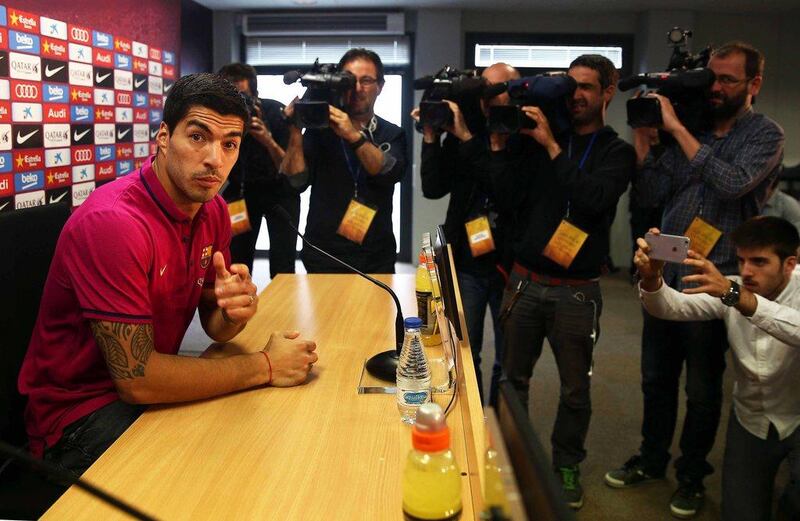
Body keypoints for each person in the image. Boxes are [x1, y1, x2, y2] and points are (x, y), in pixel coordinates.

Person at [17, 73, 318, 478]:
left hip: (143, 390)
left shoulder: (211, 210)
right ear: (163, 137)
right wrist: (264, 365)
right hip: (77, 416)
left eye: (229, 144)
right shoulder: (115, 223)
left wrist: (231, 312)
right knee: (220, 469)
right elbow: (137, 380)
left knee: (265, 437)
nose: (215, 159)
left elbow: (215, 327)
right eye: (198, 137)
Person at [606, 41, 785, 519]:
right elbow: (650, 194)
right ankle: (650, 458)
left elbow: (732, 184)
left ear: (754, 84)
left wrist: (680, 132)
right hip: (666, 272)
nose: (717, 87)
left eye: (728, 79)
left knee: (703, 389)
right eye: (713, 78)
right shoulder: (692, 129)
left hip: (716, 278)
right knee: (655, 379)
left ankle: (690, 477)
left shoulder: (764, 134)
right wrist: (647, 147)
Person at [487, 54, 635, 509]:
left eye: (587, 87)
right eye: (570, 86)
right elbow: (507, 197)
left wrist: (553, 147)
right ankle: (513, 452)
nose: (576, 95)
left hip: (577, 289)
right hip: (526, 281)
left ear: (608, 92)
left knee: (575, 388)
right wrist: (506, 139)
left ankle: (566, 463)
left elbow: (593, 200)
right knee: (513, 378)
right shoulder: (537, 140)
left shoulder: (616, 152)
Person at [633, 217, 800, 521]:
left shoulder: (736, 291)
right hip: (751, 417)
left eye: (759, 261)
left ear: (789, 264)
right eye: (741, 260)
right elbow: (672, 307)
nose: (747, 271)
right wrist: (651, 279)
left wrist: (736, 296)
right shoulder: (732, 288)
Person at [414, 63, 519, 407]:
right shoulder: (463, 130)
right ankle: (470, 423)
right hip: (468, 263)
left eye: (499, 87)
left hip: (510, 263)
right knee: (463, 353)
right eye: (483, 86)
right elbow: (432, 188)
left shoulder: (520, 132)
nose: (488, 94)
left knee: (510, 362)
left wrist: (470, 141)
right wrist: (431, 136)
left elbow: (506, 192)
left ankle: (502, 431)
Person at [280, 48, 407, 273]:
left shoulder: (391, 133)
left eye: (366, 80)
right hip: (323, 252)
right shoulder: (320, 131)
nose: (357, 89)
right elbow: (295, 181)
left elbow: (388, 172)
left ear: (380, 86)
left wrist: (352, 135)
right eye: (349, 80)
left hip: (376, 254)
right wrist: (294, 130)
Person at [218, 63, 301, 279]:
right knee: (237, 260)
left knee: (283, 263)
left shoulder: (276, 112)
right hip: (241, 193)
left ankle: (284, 310)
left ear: (255, 94)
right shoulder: (222, 121)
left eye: (243, 95)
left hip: (281, 193)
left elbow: (289, 166)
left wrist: (267, 140)